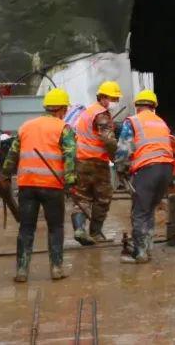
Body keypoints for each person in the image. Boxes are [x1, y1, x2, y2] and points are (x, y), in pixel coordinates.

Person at [0, 88, 77, 282]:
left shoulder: (26, 126)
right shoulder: (63, 128)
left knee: (26, 228)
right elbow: (70, 156)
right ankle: (56, 268)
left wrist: (6, 174)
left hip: (27, 185)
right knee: (55, 227)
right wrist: (70, 182)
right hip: (52, 186)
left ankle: (22, 271)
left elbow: (12, 155)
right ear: (62, 109)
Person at [115, 89, 175, 264]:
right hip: (166, 169)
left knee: (139, 212)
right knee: (149, 209)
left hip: (147, 169)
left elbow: (123, 149)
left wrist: (120, 169)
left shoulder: (133, 121)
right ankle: (147, 248)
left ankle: (140, 253)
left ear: (137, 107)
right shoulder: (162, 122)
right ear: (154, 107)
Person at [72, 81, 122, 245]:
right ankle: (95, 233)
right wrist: (117, 158)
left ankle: (79, 229)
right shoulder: (101, 114)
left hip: (81, 160)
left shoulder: (88, 112)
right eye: (113, 98)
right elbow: (108, 140)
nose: (115, 102)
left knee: (82, 196)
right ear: (103, 97)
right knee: (103, 198)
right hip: (97, 162)